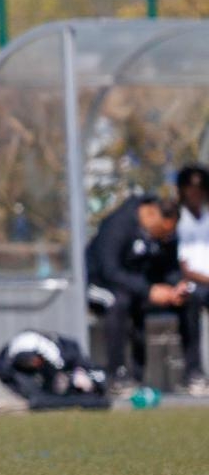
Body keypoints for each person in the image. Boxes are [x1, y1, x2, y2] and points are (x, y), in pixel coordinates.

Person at [85, 193, 195, 394]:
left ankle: (193, 375)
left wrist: (176, 286)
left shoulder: (166, 232)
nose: (165, 238)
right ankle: (116, 375)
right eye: (162, 232)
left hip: (137, 287)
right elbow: (110, 271)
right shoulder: (118, 225)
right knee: (118, 302)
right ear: (151, 214)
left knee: (189, 301)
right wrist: (148, 290)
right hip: (98, 285)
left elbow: (169, 267)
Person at [0, 329, 109, 409]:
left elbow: (93, 373)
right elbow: (7, 377)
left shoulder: (63, 352)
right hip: (36, 373)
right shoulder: (6, 366)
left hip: (68, 369)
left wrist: (82, 376)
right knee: (41, 398)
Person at [173, 165, 209, 395]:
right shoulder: (179, 220)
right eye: (191, 187)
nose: (196, 193)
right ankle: (194, 373)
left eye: (201, 188)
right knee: (191, 304)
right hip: (191, 285)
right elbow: (183, 266)